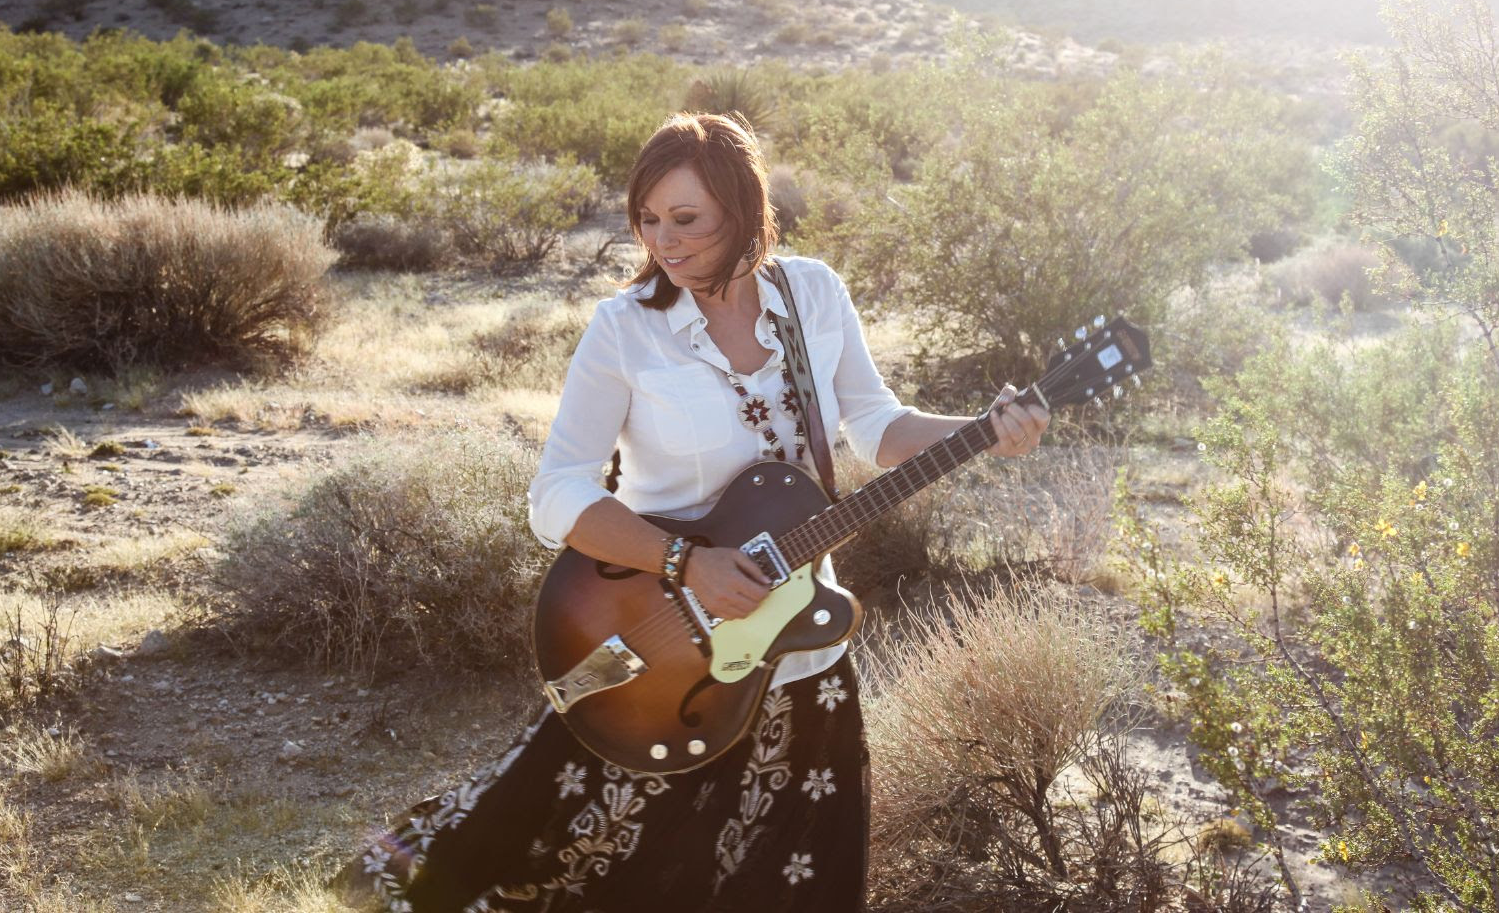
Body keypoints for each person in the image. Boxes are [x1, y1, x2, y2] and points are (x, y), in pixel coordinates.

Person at [336, 113, 1049, 912]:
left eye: (687, 221)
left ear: (744, 213)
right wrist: (686, 563)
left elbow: (877, 428)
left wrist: (984, 431)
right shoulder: (623, 330)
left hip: (797, 642)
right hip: (657, 638)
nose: (664, 243)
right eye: (648, 219)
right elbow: (559, 491)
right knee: (578, 863)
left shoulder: (811, 294)